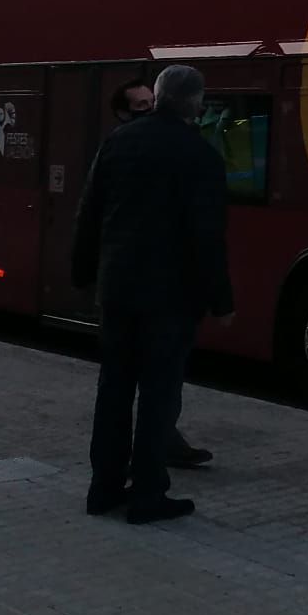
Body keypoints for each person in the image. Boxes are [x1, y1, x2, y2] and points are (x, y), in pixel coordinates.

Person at [72, 64, 233, 523]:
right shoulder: (201, 157)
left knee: (114, 388)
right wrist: (222, 301)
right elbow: (208, 237)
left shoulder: (117, 143)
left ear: (158, 97)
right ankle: (147, 493)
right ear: (195, 103)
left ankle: (103, 487)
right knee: (159, 394)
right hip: (170, 297)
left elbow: (89, 215)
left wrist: (83, 274)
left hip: (118, 290)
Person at [105, 76, 213, 470]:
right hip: (159, 292)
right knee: (155, 382)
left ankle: (112, 481)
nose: (149, 111)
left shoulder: (126, 145)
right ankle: (149, 477)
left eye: (152, 102)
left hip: (130, 286)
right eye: (139, 107)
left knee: (135, 384)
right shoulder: (186, 150)